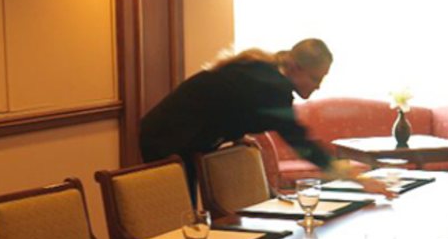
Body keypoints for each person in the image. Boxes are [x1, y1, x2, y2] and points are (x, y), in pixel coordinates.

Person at [139, 38, 389, 205]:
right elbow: (300, 142)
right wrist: (358, 179)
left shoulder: (266, 72)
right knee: (177, 218)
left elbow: (228, 103)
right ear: (295, 67)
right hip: (167, 137)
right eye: (315, 78)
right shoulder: (272, 87)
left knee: (187, 216)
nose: (318, 86)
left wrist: (239, 135)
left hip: (180, 134)